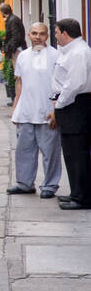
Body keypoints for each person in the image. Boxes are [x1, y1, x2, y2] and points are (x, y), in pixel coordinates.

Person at [8, 22, 62, 199]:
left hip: (47, 111)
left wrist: (56, 110)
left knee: (50, 152)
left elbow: (61, 85)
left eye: (42, 33)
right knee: (24, 151)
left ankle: (50, 185)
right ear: (28, 35)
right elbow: (20, 83)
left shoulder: (56, 55)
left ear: (47, 36)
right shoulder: (22, 56)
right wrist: (16, 107)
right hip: (26, 111)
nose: (37, 37)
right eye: (34, 33)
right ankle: (24, 183)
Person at [48, 18, 91, 210]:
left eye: (56, 32)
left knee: (77, 152)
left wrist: (60, 104)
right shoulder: (73, 51)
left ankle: (82, 197)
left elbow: (75, 83)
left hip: (75, 105)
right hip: (71, 103)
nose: (55, 35)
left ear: (65, 33)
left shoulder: (79, 52)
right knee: (71, 152)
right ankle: (76, 192)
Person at [0, 3, 27, 106]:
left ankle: (19, 97)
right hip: (15, 49)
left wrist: (10, 48)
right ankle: (18, 97)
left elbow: (16, 36)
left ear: (3, 12)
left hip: (17, 50)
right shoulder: (12, 19)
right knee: (17, 74)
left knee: (18, 74)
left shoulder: (12, 20)